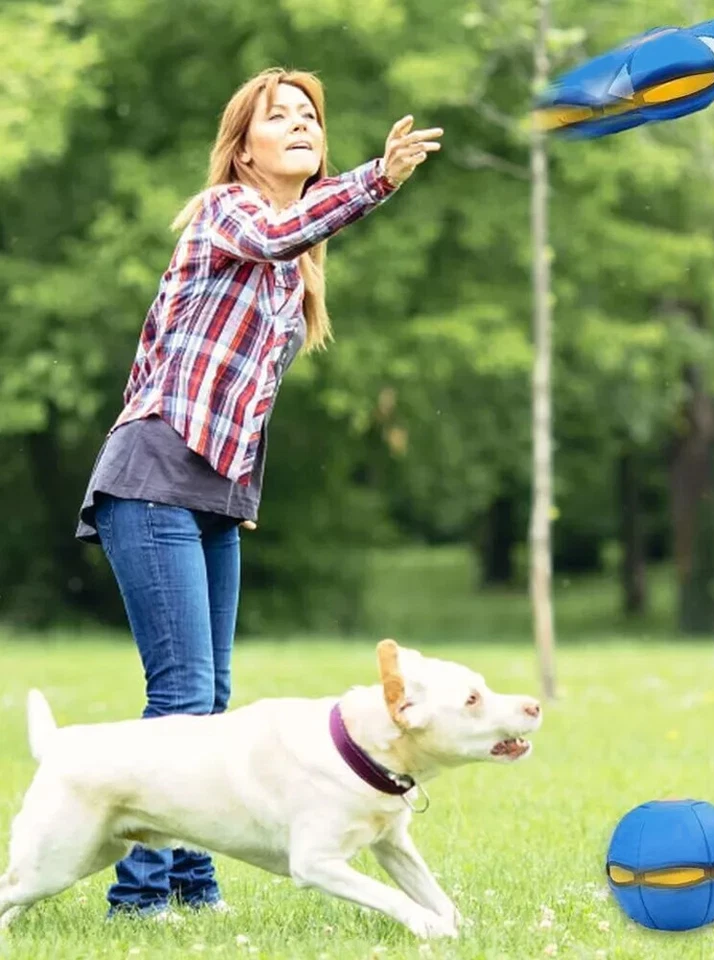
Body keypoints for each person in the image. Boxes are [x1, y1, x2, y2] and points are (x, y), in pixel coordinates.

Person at [75, 66, 443, 920]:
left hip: (212, 494)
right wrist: (378, 178)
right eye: (280, 117)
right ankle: (139, 899)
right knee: (180, 699)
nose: (302, 125)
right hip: (155, 475)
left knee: (214, 708)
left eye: (311, 115)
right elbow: (280, 237)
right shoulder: (226, 217)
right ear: (243, 152)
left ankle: (193, 883)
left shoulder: (292, 264)